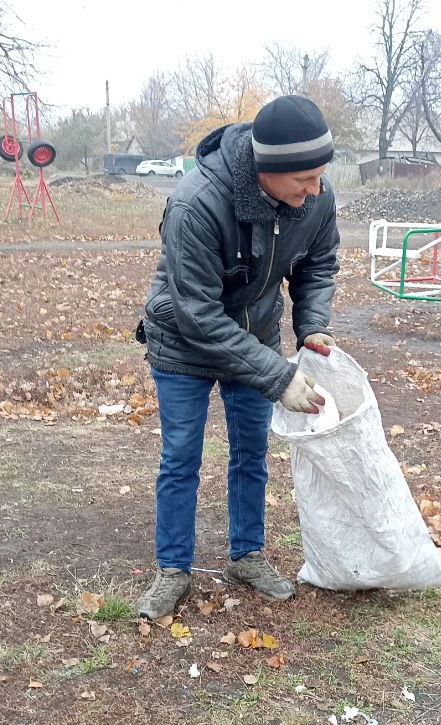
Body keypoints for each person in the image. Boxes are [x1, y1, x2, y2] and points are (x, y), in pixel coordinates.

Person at [135, 95, 340, 620]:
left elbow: (318, 262)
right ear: (269, 171)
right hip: (183, 343)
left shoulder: (314, 194)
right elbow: (197, 314)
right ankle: (173, 570)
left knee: (251, 455)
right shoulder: (197, 203)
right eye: (305, 181)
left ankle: (246, 556)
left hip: (256, 336)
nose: (315, 191)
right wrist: (279, 377)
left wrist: (311, 324)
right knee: (181, 459)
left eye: (320, 177)